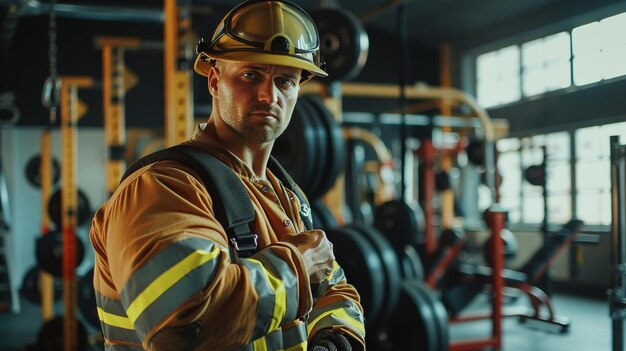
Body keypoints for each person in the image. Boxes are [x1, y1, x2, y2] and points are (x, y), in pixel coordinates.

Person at [89, 0, 366, 350]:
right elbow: (185, 324)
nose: (269, 95)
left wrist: (336, 337)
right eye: (251, 75)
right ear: (215, 81)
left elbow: (334, 287)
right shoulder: (162, 187)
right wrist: (298, 267)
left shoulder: (285, 195)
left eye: (285, 81)